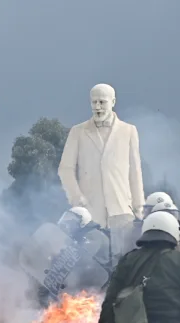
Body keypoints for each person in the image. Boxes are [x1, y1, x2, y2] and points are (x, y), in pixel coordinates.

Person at [58, 84, 144, 259]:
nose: (97, 107)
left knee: (124, 262)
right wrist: (77, 198)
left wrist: (139, 207)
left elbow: (135, 172)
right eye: (94, 102)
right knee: (91, 266)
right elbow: (65, 169)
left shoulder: (129, 131)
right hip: (90, 214)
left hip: (122, 210)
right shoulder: (78, 132)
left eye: (102, 102)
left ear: (113, 102)